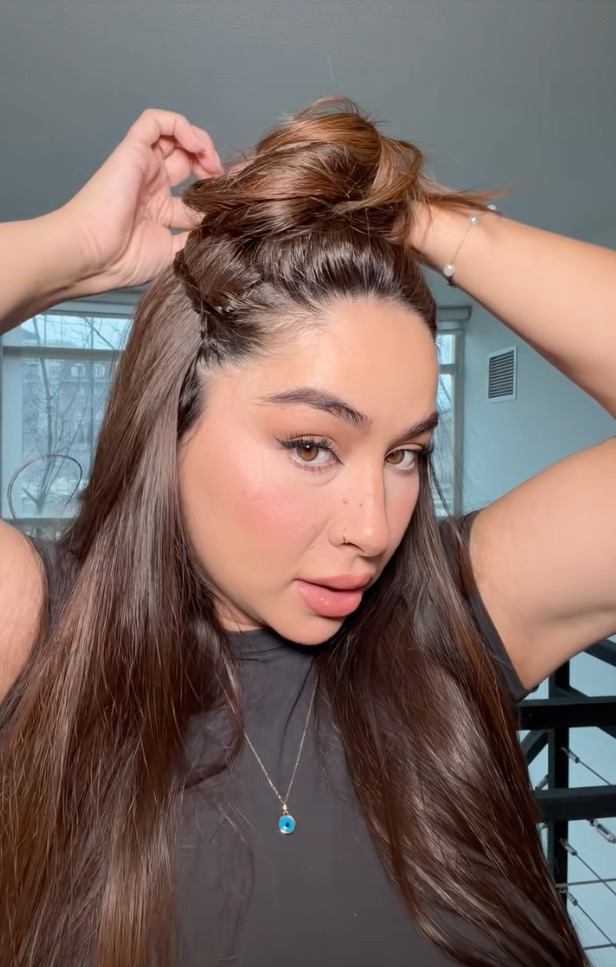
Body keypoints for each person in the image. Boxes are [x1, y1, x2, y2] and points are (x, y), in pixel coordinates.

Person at [0, 98, 614, 967]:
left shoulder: (447, 620)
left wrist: (414, 217)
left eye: (405, 453)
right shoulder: (43, 639)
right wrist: (71, 250)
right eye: (311, 445)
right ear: (172, 422)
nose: (374, 527)